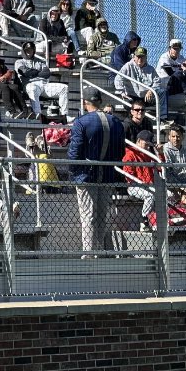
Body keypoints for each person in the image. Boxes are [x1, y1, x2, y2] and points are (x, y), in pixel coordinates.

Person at [68, 87, 126, 255]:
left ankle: (88, 254)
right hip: (107, 175)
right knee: (101, 216)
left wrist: (74, 172)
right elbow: (121, 152)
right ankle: (99, 251)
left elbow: (74, 152)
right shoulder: (116, 122)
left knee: (88, 216)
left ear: (84, 102)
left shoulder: (81, 122)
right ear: (100, 101)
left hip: (87, 175)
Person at [14, 41, 69, 120]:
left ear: (34, 50)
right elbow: (25, 72)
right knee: (32, 88)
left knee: (64, 88)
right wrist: (38, 72)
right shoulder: (19, 62)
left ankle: (65, 116)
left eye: (31, 50)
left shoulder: (39, 61)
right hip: (30, 84)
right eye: (27, 50)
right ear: (23, 51)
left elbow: (47, 73)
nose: (29, 52)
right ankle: (38, 114)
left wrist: (33, 73)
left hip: (44, 84)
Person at [123, 130, 165, 231]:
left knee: (167, 194)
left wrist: (160, 154)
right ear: (138, 141)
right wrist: (143, 183)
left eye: (149, 145)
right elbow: (129, 176)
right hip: (134, 186)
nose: (148, 147)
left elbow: (161, 168)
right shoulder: (130, 153)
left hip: (149, 185)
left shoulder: (148, 154)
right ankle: (144, 220)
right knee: (150, 194)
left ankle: (165, 219)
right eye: (146, 144)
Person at [114, 46, 166, 119]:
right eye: (138, 57)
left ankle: (163, 118)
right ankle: (133, 119)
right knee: (126, 102)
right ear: (134, 57)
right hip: (132, 97)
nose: (140, 59)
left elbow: (157, 81)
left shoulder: (151, 69)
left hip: (146, 97)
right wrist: (122, 92)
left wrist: (151, 90)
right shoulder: (128, 66)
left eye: (142, 57)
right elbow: (118, 78)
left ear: (146, 57)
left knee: (162, 92)